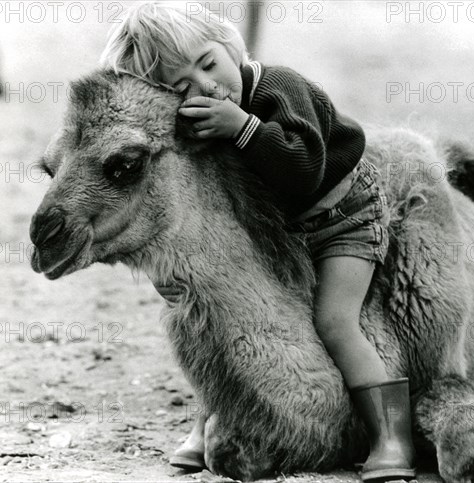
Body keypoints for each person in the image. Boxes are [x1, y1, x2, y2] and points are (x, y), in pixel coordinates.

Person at [100, 3, 416, 481]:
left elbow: (304, 170)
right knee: (219, 310)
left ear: (230, 45)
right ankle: (209, 418)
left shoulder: (279, 90)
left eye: (208, 64)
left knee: (335, 321)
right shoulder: (201, 119)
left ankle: (390, 438)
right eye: (181, 87)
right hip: (280, 226)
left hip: (342, 216)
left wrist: (243, 128)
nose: (204, 87)